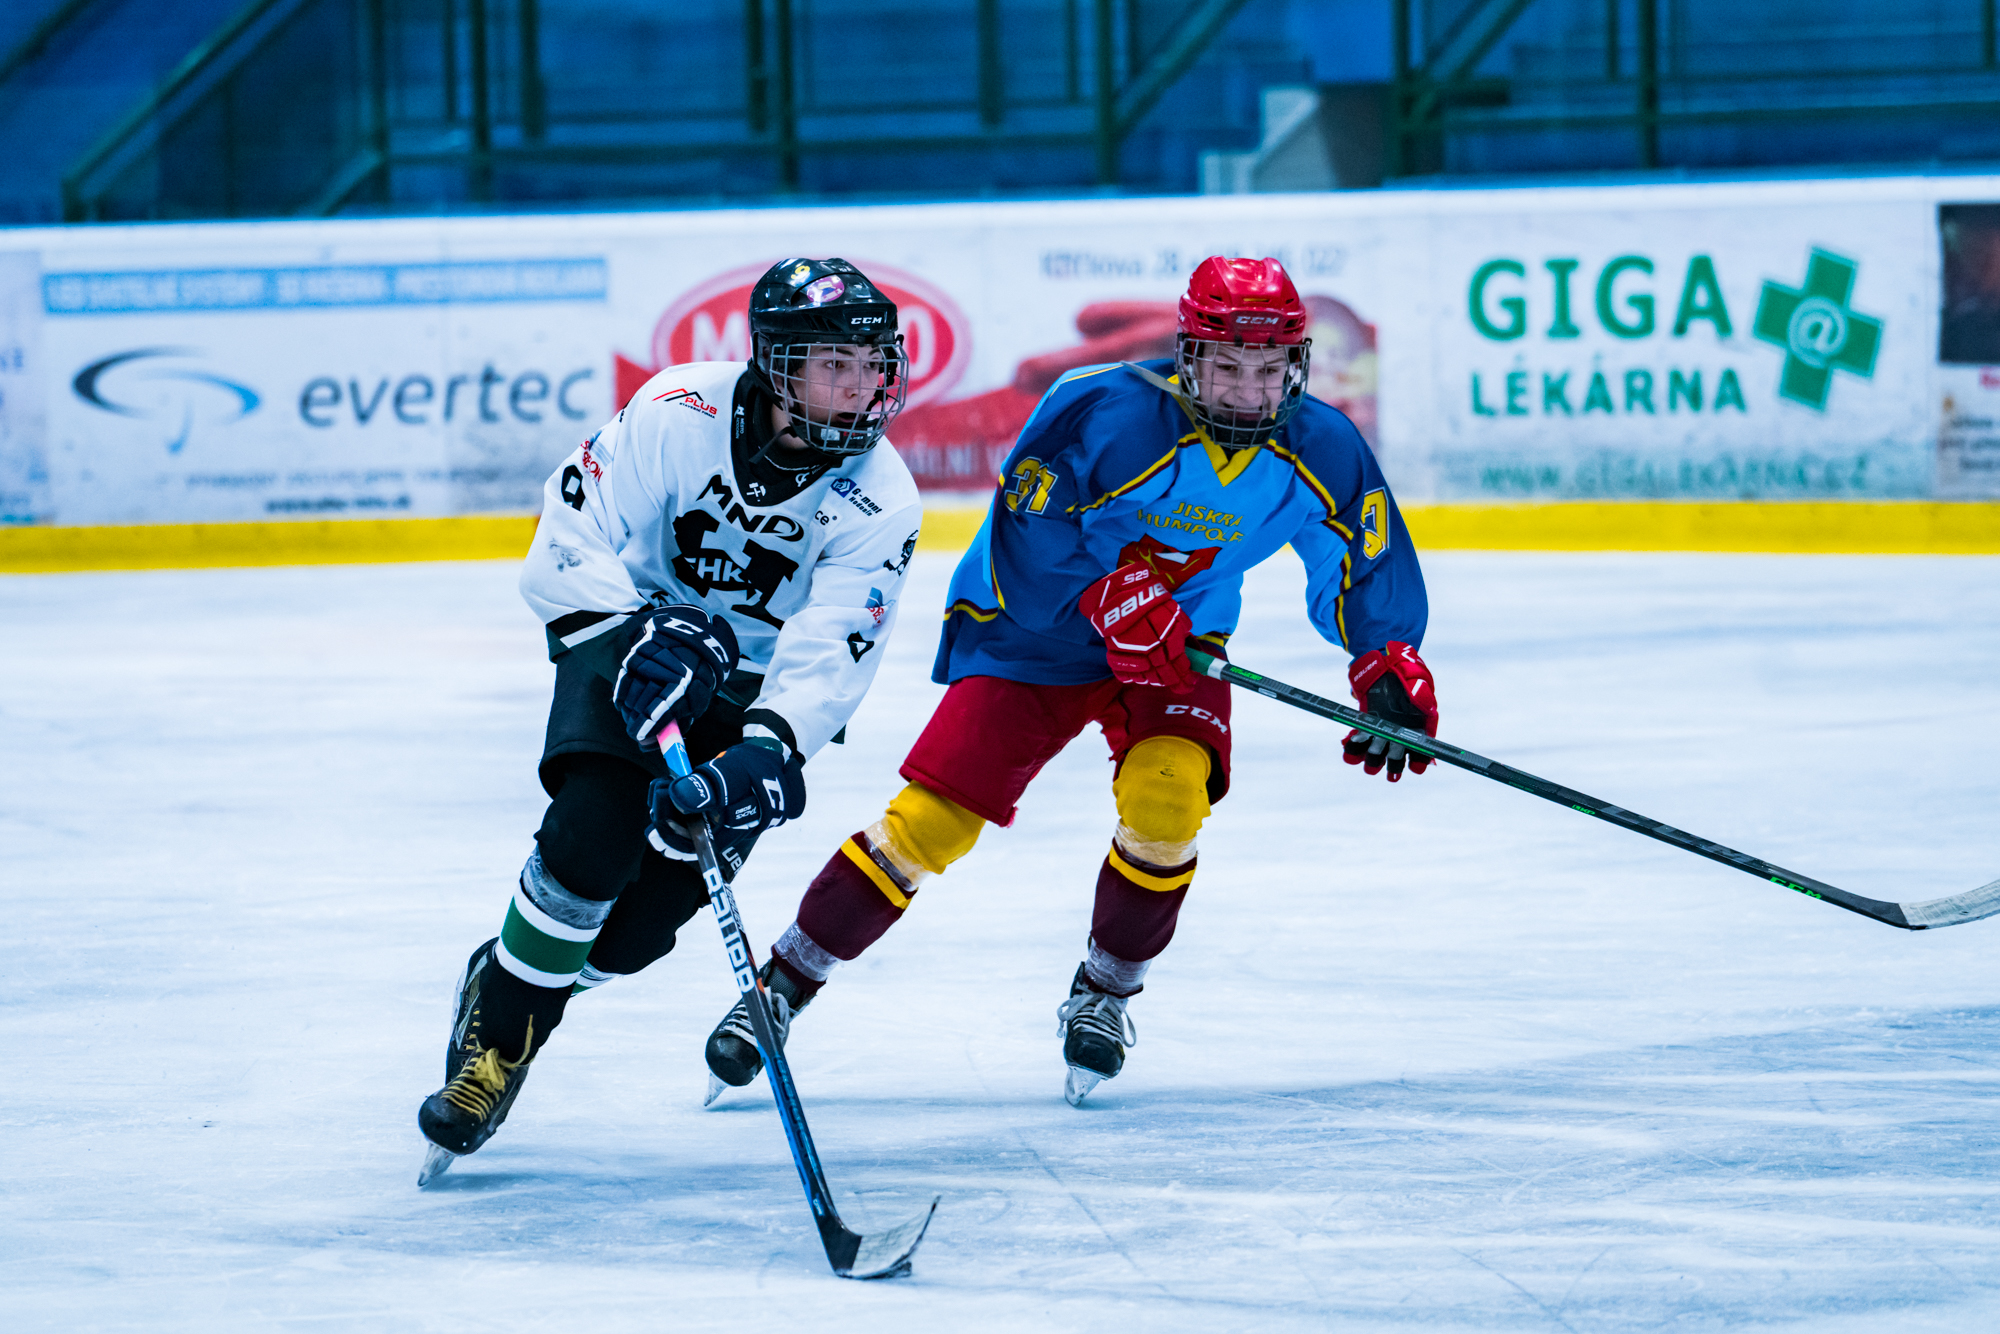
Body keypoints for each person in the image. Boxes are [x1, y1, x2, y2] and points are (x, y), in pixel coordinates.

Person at [702, 256, 1435, 1108]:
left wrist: (1384, 657)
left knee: (1170, 801)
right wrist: (1101, 592)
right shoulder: (1099, 408)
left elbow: (1362, 549)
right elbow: (1028, 526)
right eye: (1228, 367)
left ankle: (1107, 990)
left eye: (1269, 371)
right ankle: (786, 983)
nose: (1246, 393)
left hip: (1178, 644)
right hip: (1038, 629)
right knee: (930, 824)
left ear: (1295, 367)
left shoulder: (1322, 444)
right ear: (1190, 356)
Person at [417, 258, 923, 1172]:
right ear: (775, 365)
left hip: (745, 700)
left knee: (633, 937)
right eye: (831, 365)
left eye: (870, 364)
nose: (858, 387)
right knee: (584, 848)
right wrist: (639, 630)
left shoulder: (879, 495)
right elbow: (569, 533)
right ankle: (496, 1047)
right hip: (634, 652)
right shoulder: (676, 411)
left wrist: (771, 746)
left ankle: (508, 975)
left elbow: (840, 639)